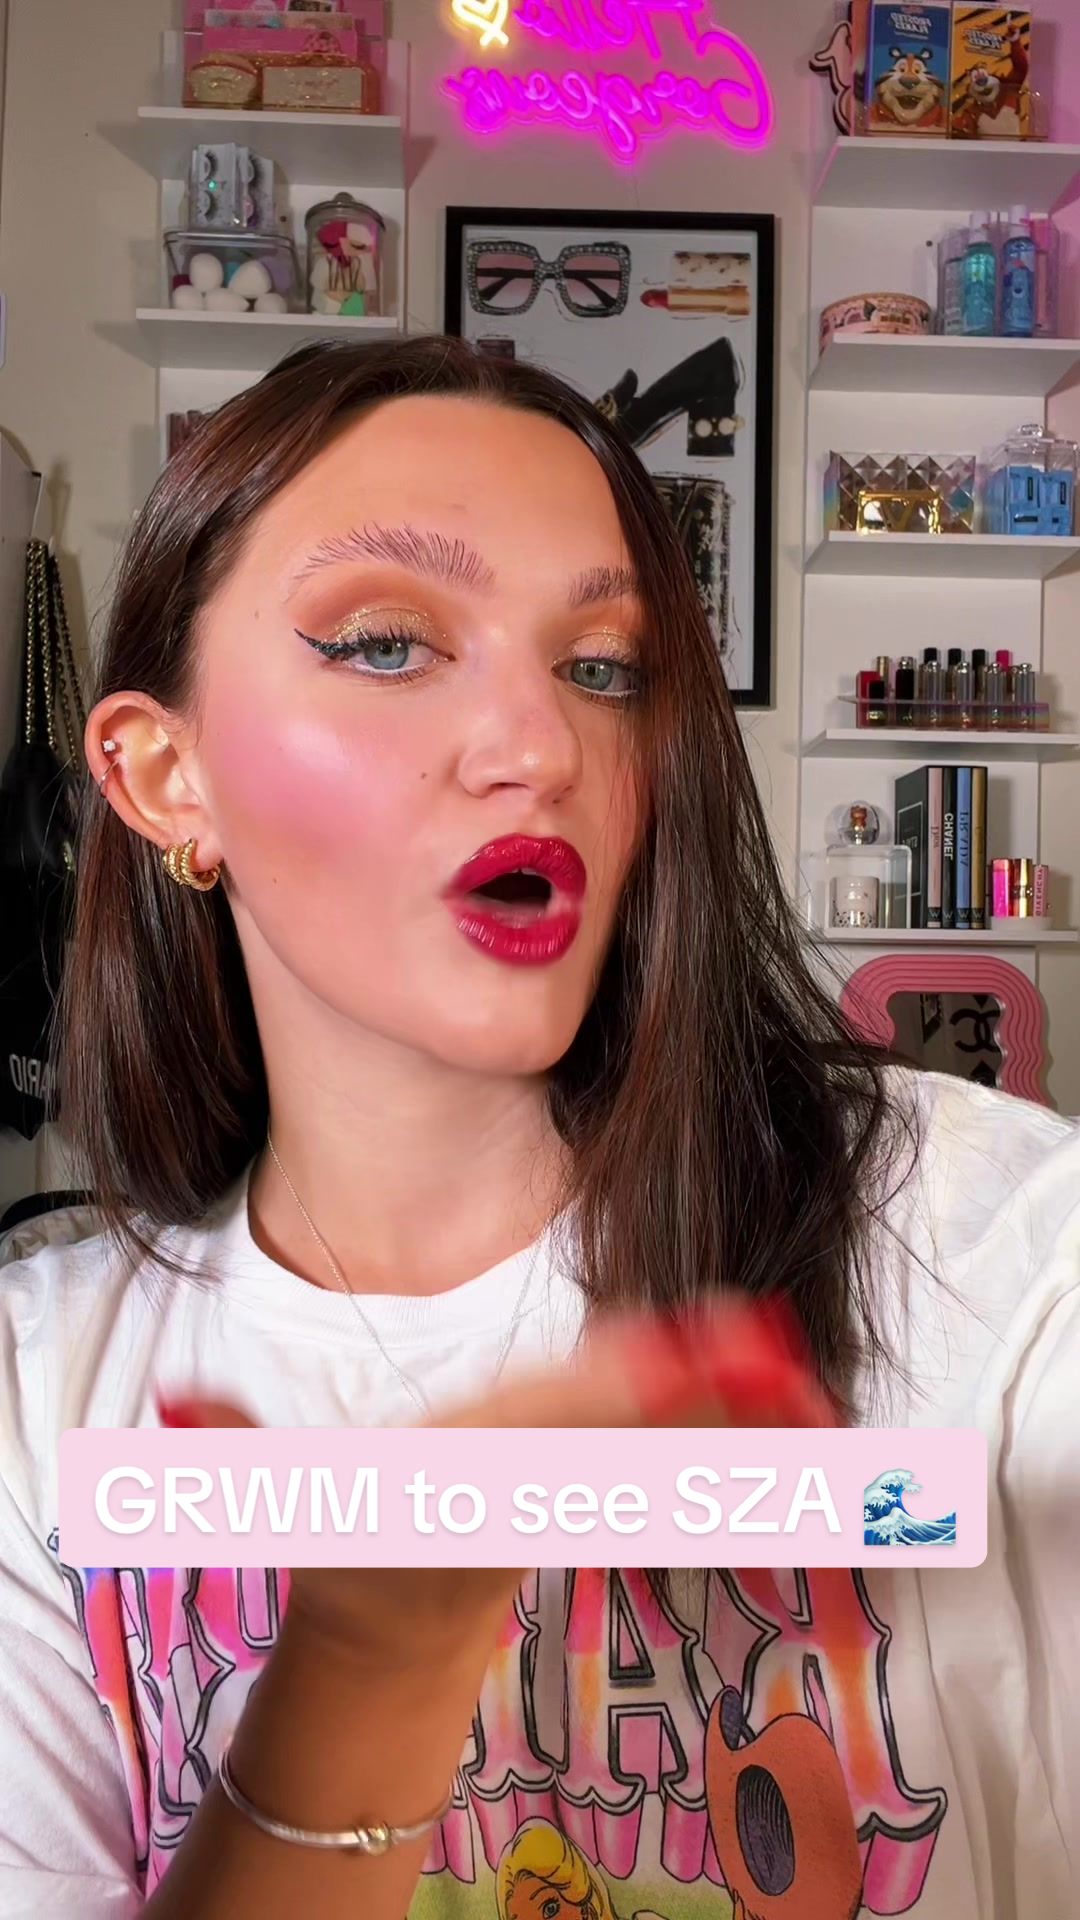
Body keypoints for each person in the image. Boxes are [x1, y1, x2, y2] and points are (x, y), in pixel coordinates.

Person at [0, 336, 1076, 1920]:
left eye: (604, 668)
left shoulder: (1005, 1250)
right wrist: (368, 1672)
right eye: (386, 644)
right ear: (167, 776)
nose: (541, 746)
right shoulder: (36, 1400)